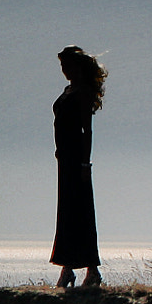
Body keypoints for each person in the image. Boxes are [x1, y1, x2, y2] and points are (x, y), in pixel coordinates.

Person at [51, 45, 106, 289]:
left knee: (80, 210)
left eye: (67, 65)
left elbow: (87, 130)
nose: (63, 70)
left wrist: (85, 162)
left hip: (77, 159)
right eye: (62, 66)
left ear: (77, 66)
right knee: (67, 211)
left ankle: (88, 270)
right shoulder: (69, 90)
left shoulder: (82, 92)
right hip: (65, 159)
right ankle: (68, 268)